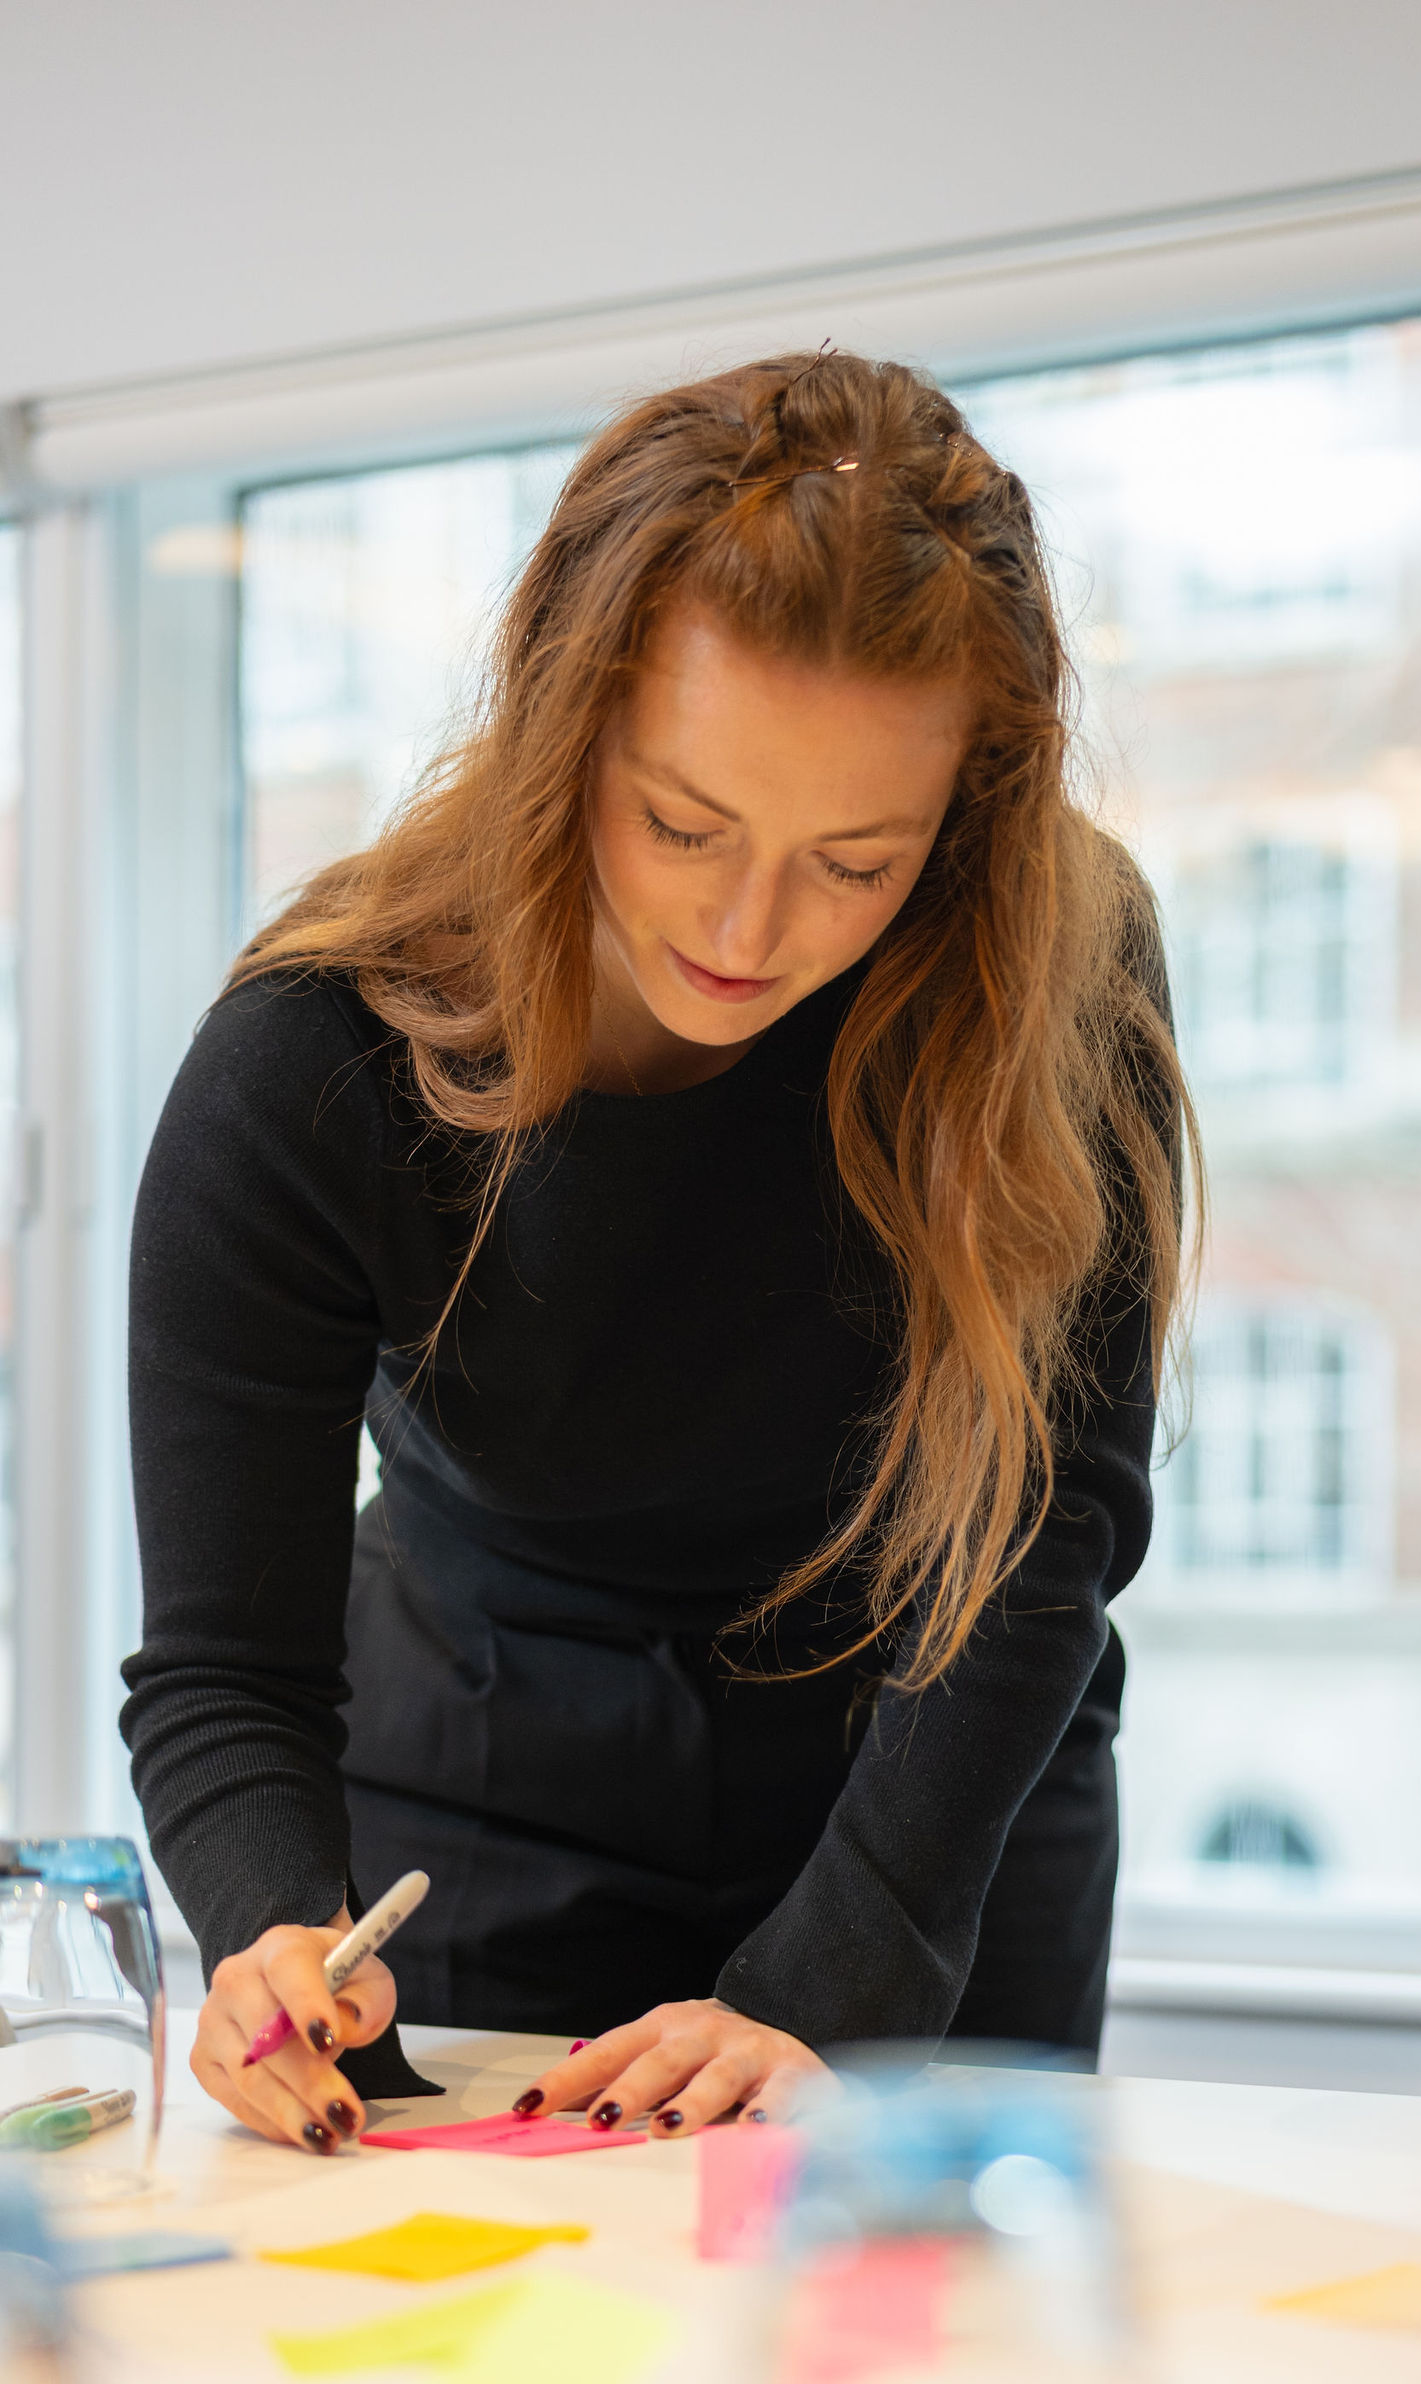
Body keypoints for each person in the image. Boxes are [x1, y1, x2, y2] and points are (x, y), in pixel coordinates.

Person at [122, 351, 1192, 2155]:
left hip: (929, 1812)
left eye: (857, 862)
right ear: (566, 717)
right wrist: (268, 1934)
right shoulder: (321, 1055)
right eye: (683, 824)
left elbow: (1036, 1538)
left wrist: (832, 1987)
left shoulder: (1053, 974)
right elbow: (225, 1663)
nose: (746, 927)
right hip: (483, 1791)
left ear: (968, 821)